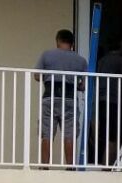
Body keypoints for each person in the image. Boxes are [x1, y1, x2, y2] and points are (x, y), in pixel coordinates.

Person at [36, 29, 86, 165]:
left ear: (57, 41)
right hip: (69, 98)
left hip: (50, 96)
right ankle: (70, 167)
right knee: (69, 135)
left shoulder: (47, 55)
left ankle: (44, 166)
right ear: (72, 43)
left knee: (47, 134)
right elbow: (83, 86)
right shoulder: (80, 60)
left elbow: (36, 76)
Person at [93, 43, 122, 166]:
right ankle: (107, 167)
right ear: (121, 46)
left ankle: (106, 165)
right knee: (114, 136)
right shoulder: (120, 61)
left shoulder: (102, 61)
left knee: (107, 135)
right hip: (115, 102)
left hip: (102, 101)